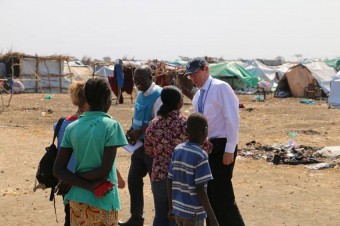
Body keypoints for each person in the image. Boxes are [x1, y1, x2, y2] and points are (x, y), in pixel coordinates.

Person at [53, 78, 128, 225]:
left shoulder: (72, 127)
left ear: (86, 99)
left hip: (78, 199)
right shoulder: (112, 126)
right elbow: (104, 170)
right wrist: (81, 182)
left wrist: (71, 179)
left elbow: (58, 169)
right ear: (108, 100)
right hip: (102, 197)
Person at [185, 57, 245, 226]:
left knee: (222, 196)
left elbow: (232, 119)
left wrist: (230, 148)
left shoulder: (221, 88)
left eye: (195, 73)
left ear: (206, 69)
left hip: (222, 145)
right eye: (190, 75)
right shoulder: (198, 96)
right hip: (206, 148)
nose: (192, 78)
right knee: (209, 196)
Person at [119, 65, 162, 226]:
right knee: (133, 180)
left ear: (151, 77)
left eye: (141, 79)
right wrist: (131, 130)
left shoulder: (158, 94)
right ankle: (136, 218)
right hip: (139, 146)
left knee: (156, 185)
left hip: (152, 147)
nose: (137, 83)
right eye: (135, 80)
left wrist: (140, 131)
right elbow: (137, 116)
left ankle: (161, 219)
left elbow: (159, 122)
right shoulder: (140, 94)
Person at [144, 86, 186, 226]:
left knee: (161, 215)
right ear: (179, 103)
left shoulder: (154, 124)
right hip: (181, 176)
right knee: (176, 215)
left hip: (159, 174)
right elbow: (203, 145)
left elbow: (148, 150)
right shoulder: (184, 124)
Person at [167, 113, 219, 226]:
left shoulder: (178, 149)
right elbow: (200, 188)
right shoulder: (201, 155)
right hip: (193, 213)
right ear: (204, 131)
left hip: (178, 210)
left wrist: (171, 207)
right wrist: (212, 218)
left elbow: (169, 180)